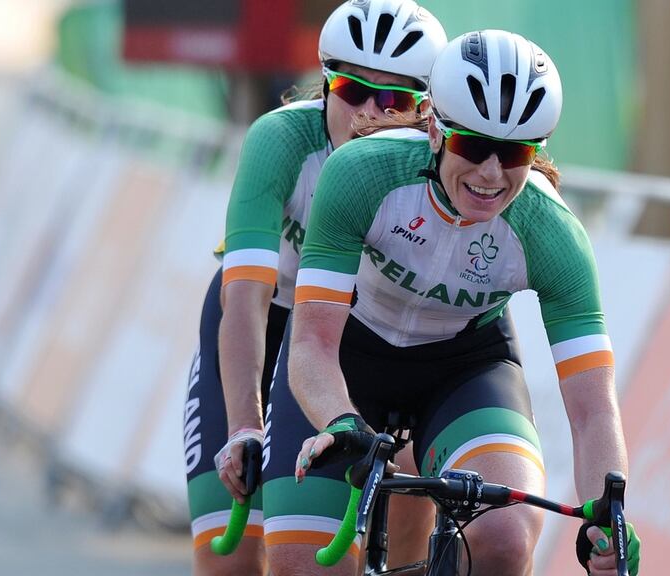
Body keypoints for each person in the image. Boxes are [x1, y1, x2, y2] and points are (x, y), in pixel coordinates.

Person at [267, 30, 641, 575]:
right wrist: (339, 421)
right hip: (346, 358)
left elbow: (592, 410)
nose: (491, 174)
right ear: (437, 129)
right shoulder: (363, 173)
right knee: (306, 566)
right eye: (473, 146)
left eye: (514, 152)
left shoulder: (551, 232)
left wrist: (608, 520)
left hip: (463, 369)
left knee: (507, 538)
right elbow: (311, 343)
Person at [182, 2, 446, 575]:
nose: (368, 113)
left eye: (395, 99)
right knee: (230, 560)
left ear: (426, 108)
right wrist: (244, 427)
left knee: (410, 496)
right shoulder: (281, 140)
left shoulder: (433, 164)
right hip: (270, 321)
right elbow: (245, 296)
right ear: (326, 84)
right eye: (353, 90)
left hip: (355, 340)